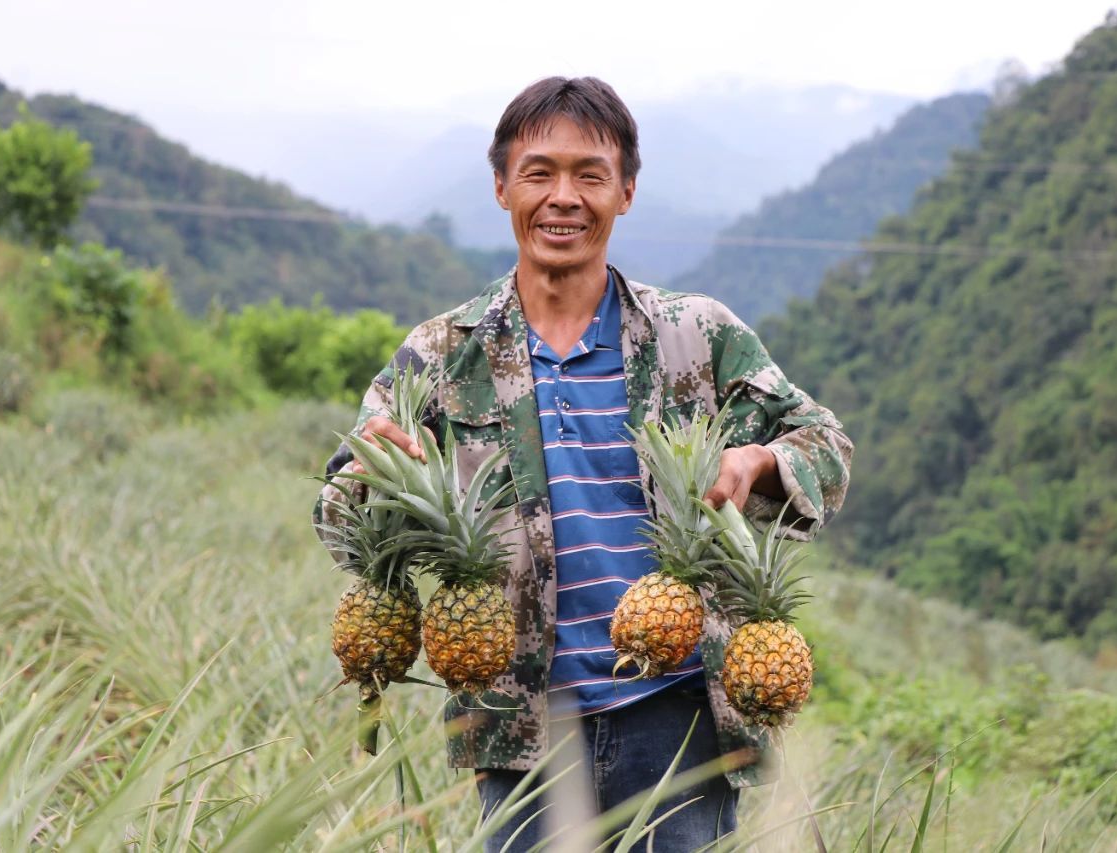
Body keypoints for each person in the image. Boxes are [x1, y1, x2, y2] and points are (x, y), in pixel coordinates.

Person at [314, 76, 852, 851]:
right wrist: (370, 476)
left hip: (678, 722)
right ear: (502, 187)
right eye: (539, 172)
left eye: (589, 175)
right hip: (520, 728)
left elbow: (824, 443)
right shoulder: (441, 353)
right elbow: (336, 517)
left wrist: (761, 459)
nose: (562, 197)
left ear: (625, 192)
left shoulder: (695, 334)